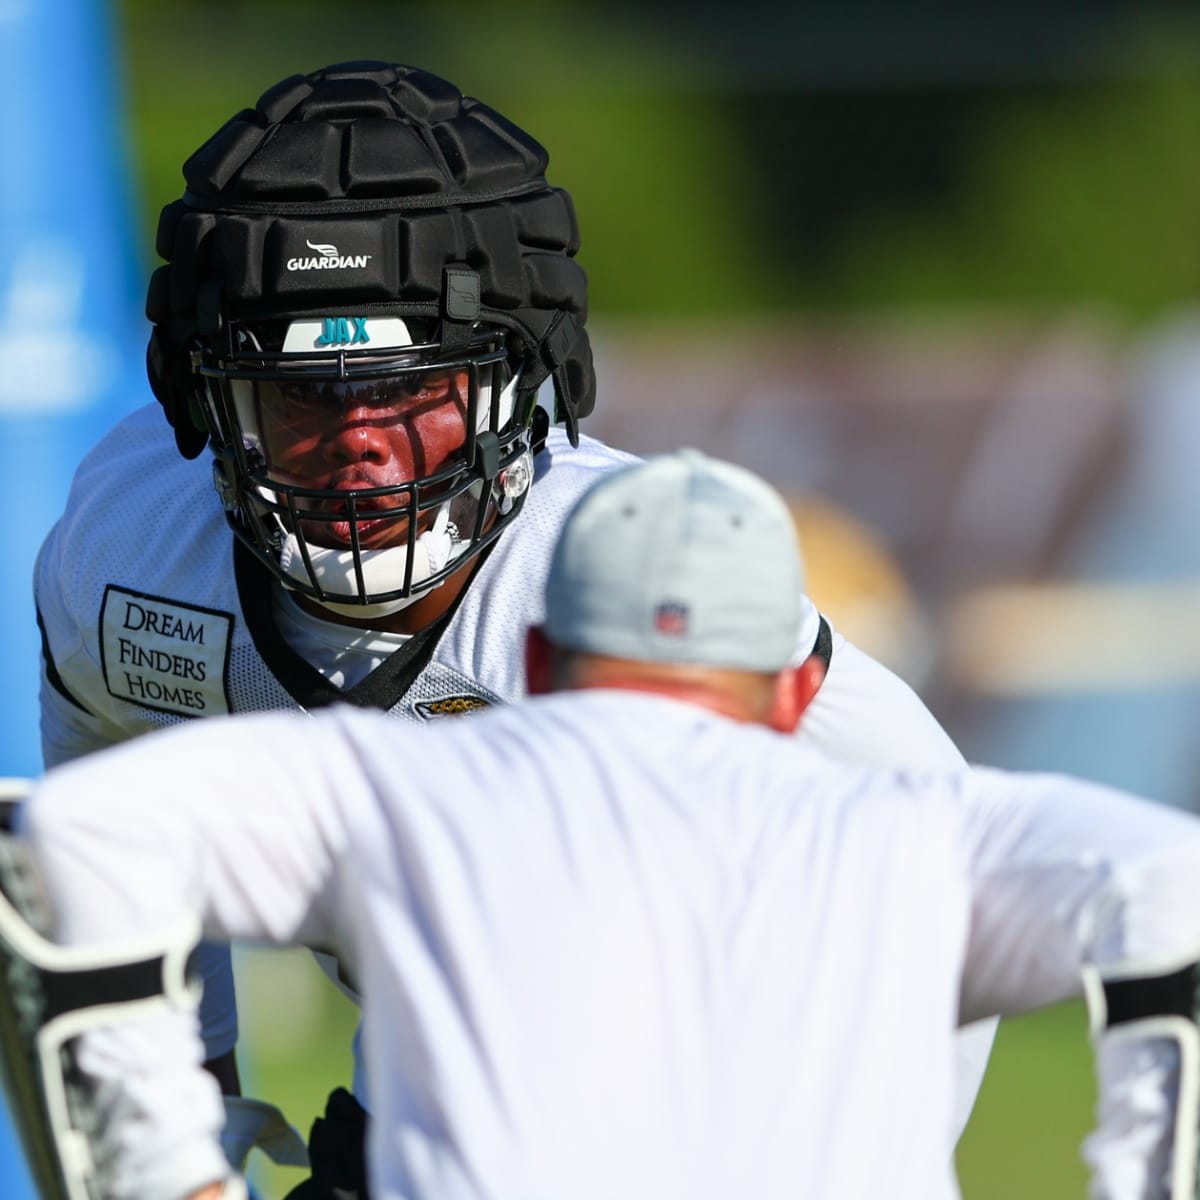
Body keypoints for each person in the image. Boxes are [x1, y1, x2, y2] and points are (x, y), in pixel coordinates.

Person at [32, 60, 993, 1188]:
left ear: (520, 384)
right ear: (205, 405)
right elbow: (111, 831)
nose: (360, 443)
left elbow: (943, 866)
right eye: (305, 395)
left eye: (409, 390)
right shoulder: (133, 560)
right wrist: (182, 1127)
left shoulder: (629, 584)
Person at [13, 448, 1200, 1200]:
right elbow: (1168, 883)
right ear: (795, 693)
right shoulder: (907, 827)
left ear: (537, 652)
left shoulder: (408, 786)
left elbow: (64, 843)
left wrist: (177, 1172)